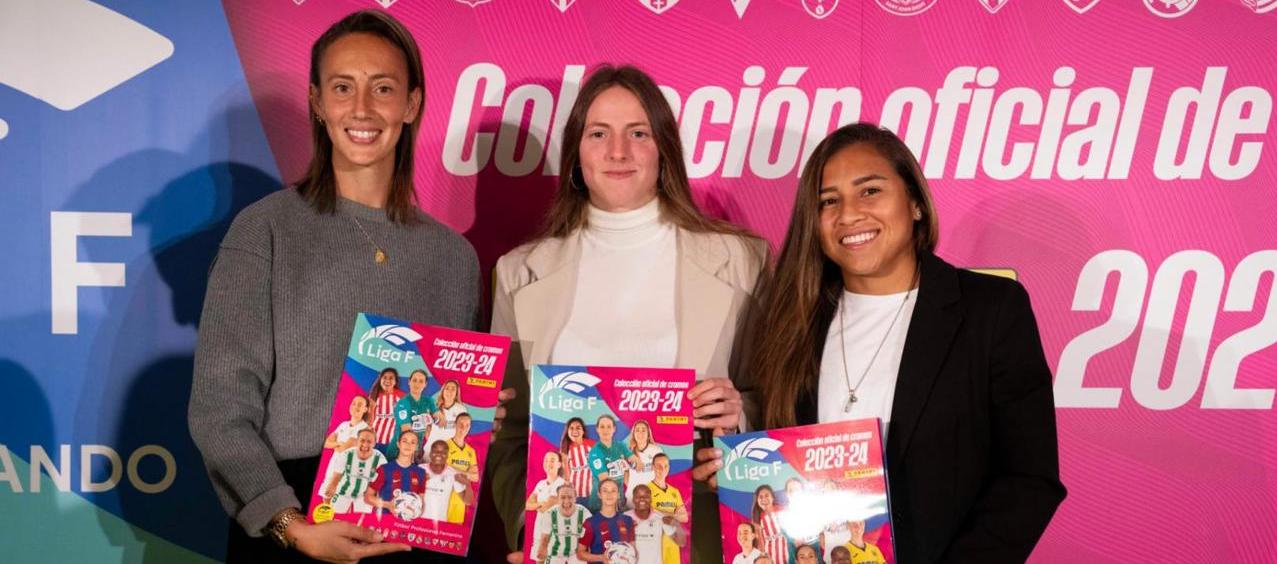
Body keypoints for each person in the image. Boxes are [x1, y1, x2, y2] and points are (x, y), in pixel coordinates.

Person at [188, 9, 480, 563]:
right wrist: (290, 525)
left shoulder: (454, 258)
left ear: (411, 104)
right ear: (317, 102)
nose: (362, 108)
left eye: (383, 88)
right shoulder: (265, 229)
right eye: (343, 87)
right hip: (298, 523)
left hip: (417, 522)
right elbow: (220, 408)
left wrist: (479, 411)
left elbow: (445, 407)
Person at [735, 123, 1066, 562]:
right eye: (828, 201)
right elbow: (781, 470)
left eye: (869, 191)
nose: (849, 214)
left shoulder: (991, 309)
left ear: (915, 203)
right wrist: (735, 470)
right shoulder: (793, 323)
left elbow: (1029, 478)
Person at [488, 63, 767, 563]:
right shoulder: (517, 273)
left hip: (701, 546)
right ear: (576, 153)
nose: (618, 151)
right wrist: (531, 531)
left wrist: (740, 414)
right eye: (599, 133)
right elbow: (508, 435)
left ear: (664, 149)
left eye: (638, 133)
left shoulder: (743, 261)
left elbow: (786, 401)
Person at [321, 428, 386, 515]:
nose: (365, 444)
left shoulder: (380, 459)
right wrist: (332, 486)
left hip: (364, 495)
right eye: (362, 440)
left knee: (362, 520)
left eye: (369, 441)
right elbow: (336, 476)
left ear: (374, 443)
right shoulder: (346, 454)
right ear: (357, 441)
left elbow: (383, 480)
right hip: (343, 491)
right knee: (334, 515)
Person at [365, 431, 427, 520]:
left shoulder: (421, 473)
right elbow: (368, 497)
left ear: (417, 447)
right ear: (398, 444)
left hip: (406, 524)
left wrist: (414, 512)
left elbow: (421, 503)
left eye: (413, 442)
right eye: (405, 441)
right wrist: (388, 505)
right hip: (383, 521)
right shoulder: (384, 469)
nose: (408, 445)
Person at [577, 479, 636, 563]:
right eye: (605, 491)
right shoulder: (590, 522)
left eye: (613, 491)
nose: (609, 494)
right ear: (599, 495)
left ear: (618, 495)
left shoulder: (627, 520)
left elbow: (632, 549)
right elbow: (580, 554)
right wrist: (602, 558)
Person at [586, 415, 637, 510]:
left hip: (619, 499)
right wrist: (624, 465)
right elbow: (605, 480)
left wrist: (631, 466)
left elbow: (636, 462)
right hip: (600, 503)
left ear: (614, 429)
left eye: (609, 426)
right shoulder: (595, 452)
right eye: (602, 427)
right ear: (597, 429)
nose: (605, 430)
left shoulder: (620, 445)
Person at [624, 484, 683, 564]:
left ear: (651, 499)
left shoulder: (661, 517)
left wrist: (676, 524)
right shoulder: (625, 517)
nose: (642, 499)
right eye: (638, 496)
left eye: (646, 496)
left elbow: (681, 542)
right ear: (633, 499)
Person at [387, 369, 438, 460]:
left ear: (425, 384)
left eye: (421, 381)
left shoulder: (428, 401)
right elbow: (406, 431)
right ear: (409, 382)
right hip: (398, 452)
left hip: (417, 451)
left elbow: (438, 422)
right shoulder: (403, 403)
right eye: (414, 380)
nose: (417, 384)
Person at [527, 451, 569, 557]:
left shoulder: (561, 483)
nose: (548, 463)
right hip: (539, 529)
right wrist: (541, 504)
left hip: (554, 533)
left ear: (559, 464)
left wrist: (537, 505)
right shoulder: (540, 484)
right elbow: (527, 505)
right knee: (539, 560)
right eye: (546, 460)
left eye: (552, 460)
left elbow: (546, 508)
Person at [536, 484, 591, 564]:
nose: (566, 501)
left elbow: (592, 535)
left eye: (570, 497)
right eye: (563, 497)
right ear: (558, 499)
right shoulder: (549, 514)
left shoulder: (584, 513)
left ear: (575, 498)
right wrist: (541, 554)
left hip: (576, 552)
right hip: (555, 552)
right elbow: (544, 539)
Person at [420, 439, 471, 523]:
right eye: (435, 450)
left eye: (443, 452)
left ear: (447, 455)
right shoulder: (419, 469)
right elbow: (406, 492)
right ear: (430, 453)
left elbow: (467, 501)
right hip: (417, 521)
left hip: (440, 523)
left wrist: (468, 484)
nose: (439, 454)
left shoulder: (453, 473)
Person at [445, 413, 479, 523]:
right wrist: (466, 473)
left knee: (454, 531)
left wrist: (454, 470)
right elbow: (442, 470)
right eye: (461, 424)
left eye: (467, 425)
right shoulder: (444, 446)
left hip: (460, 499)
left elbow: (475, 477)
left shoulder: (471, 451)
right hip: (444, 497)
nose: (463, 428)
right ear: (455, 424)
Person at [624, 420, 661, 502]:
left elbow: (660, 474)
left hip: (651, 495)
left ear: (648, 434)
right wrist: (632, 486)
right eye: (637, 430)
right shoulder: (628, 451)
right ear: (633, 434)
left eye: (643, 430)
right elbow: (625, 474)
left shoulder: (656, 451)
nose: (640, 433)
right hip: (632, 495)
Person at [561, 417, 596, 504]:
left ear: (583, 431)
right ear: (567, 432)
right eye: (571, 428)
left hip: (593, 494)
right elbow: (566, 475)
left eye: (578, 428)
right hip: (574, 496)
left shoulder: (592, 445)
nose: (575, 430)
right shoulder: (565, 449)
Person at [426, 379, 467, 449]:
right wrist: (431, 440)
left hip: (450, 448)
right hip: (432, 446)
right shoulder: (434, 406)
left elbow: (463, 429)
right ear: (443, 391)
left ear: (456, 393)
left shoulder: (461, 409)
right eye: (447, 388)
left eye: (453, 389)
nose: (449, 391)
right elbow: (427, 427)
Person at [751, 485, 788, 564]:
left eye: (766, 495)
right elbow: (761, 546)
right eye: (760, 497)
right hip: (770, 559)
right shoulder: (757, 519)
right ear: (757, 500)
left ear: (772, 497)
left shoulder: (783, 511)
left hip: (788, 556)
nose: (764, 499)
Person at [370, 368, 406, 447]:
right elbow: (370, 418)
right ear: (380, 379)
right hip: (373, 439)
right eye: (385, 377)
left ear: (395, 381)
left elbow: (405, 420)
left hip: (392, 441)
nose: (387, 380)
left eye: (391, 378)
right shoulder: (374, 395)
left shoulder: (402, 396)